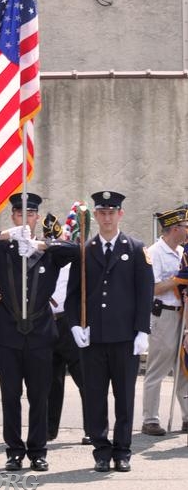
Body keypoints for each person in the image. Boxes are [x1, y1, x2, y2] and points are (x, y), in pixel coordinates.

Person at [0, 192, 80, 472]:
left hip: (41, 332)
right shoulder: (2, 250)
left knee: (39, 395)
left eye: (30, 214)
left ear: (37, 217)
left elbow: (75, 250)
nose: (25, 218)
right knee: (10, 395)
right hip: (9, 332)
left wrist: (42, 245)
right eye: (19, 215)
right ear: (14, 217)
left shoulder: (49, 252)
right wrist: (7, 235)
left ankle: (38, 450)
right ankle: (14, 451)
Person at [66, 190, 154, 473]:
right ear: (95, 215)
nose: (106, 217)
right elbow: (72, 296)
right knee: (95, 396)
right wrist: (74, 325)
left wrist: (143, 330)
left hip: (125, 338)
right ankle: (101, 450)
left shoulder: (136, 248)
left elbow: (144, 293)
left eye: (111, 212)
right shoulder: (85, 251)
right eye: (101, 212)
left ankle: (123, 450)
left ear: (120, 214)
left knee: (124, 396)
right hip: (94, 339)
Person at [42, 212, 90, 445]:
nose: (52, 247)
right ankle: (49, 430)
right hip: (46, 323)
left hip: (68, 322)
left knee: (85, 378)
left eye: (55, 242)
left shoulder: (73, 260)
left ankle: (92, 428)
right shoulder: (40, 260)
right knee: (51, 381)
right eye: (48, 241)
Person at [142, 207, 188, 436]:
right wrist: (178, 280)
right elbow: (153, 288)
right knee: (159, 367)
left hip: (184, 314)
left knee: (184, 367)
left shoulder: (182, 252)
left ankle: (187, 416)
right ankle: (150, 419)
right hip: (164, 314)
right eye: (186, 227)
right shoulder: (155, 252)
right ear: (175, 229)